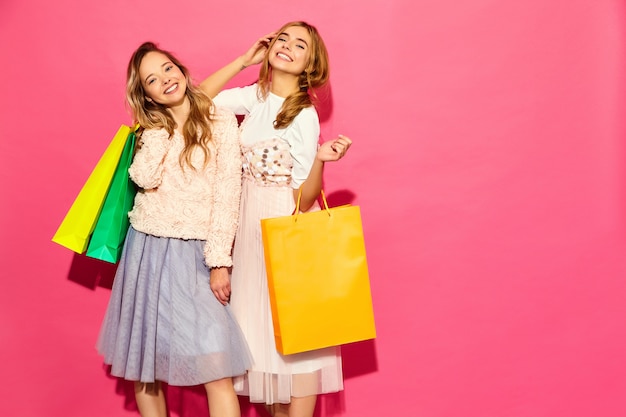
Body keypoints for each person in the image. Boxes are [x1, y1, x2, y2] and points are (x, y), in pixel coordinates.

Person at [199, 21, 352, 417]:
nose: (286, 45)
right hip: (249, 232)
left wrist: (320, 160)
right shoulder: (255, 97)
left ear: (309, 65)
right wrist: (243, 61)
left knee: (298, 341)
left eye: (299, 44)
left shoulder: (303, 116)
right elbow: (197, 100)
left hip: (285, 230)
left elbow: (302, 201)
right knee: (261, 346)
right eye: (282, 38)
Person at [97, 41, 252, 417]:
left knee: (216, 363)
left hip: (196, 252)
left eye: (167, 68)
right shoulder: (153, 130)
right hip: (147, 247)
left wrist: (219, 261)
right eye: (152, 79)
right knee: (145, 363)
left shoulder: (220, 120)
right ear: (146, 93)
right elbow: (143, 176)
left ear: (181, 70)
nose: (165, 79)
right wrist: (160, 129)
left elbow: (227, 193)